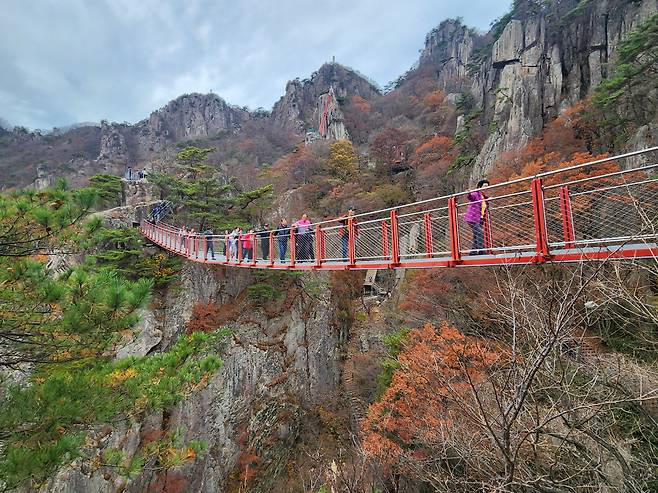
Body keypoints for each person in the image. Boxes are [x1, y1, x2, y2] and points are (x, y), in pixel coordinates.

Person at [464, 179, 490, 255]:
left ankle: (473, 252)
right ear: (479, 187)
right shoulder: (476, 194)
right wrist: (469, 193)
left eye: (487, 186)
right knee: (480, 232)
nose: (486, 187)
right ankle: (481, 250)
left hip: (479, 219)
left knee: (476, 235)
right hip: (472, 218)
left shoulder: (484, 197)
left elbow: (484, 206)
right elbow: (471, 197)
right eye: (484, 186)